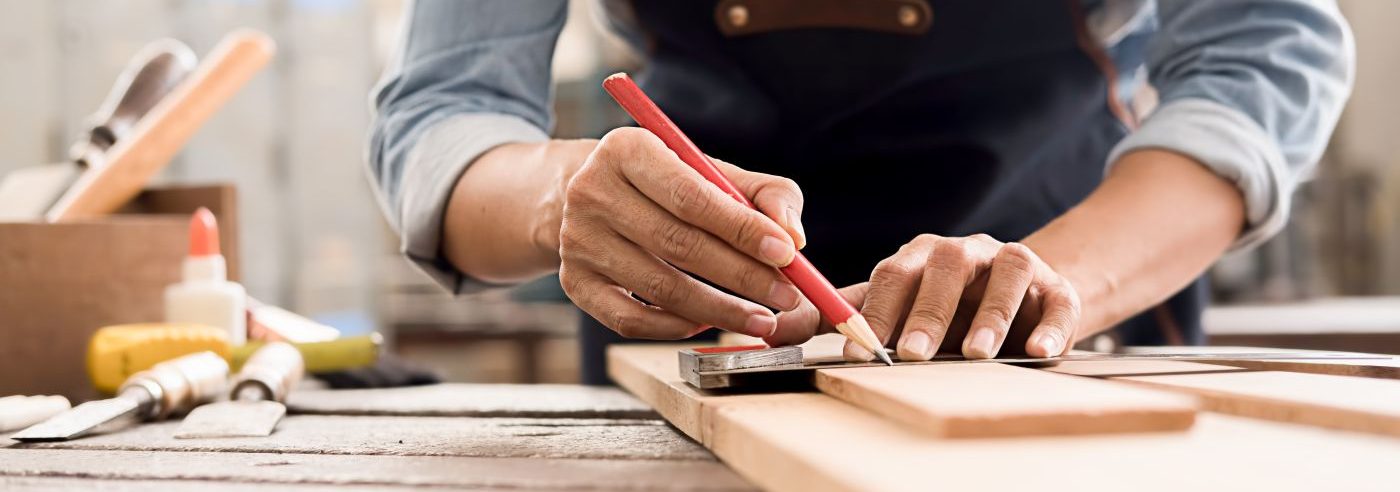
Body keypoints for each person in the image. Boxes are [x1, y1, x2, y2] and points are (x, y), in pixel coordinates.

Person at [367, 0, 1353, 384]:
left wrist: (1056, 281)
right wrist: (561, 195)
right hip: (692, 342)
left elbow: (1257, 52)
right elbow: (443, 116)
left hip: (1068, 326)